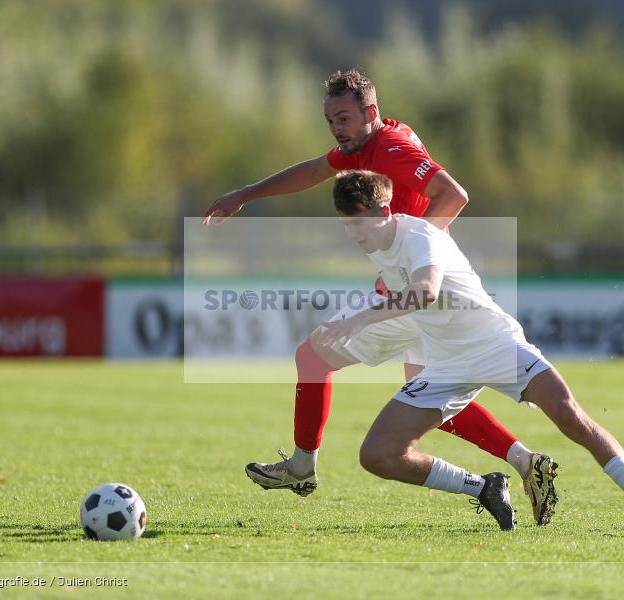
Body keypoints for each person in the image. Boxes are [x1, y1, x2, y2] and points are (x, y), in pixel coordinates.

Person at [205, 68, 559, 526]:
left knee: (313, 358)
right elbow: (313, 170)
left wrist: (413, 259)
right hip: (424, 296)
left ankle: (302, 466)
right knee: (435, 402)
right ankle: (523, 465)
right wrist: (247, 195)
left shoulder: (390, 148)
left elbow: (454, 195)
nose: (336, 128)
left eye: (344, 118)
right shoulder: (369, 143)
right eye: (331, 119)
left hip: (415, 294)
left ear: (369, 112)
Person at [313, 171, 624, 536]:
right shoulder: (378, 244)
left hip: (496, 345)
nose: (354, 233)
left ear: (384, 211)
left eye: (359, 221)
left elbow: (425, 291)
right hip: (444, 365)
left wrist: (359, 320)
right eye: (346, 224)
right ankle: (484, 487)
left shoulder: (419, 236)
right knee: (377, 455)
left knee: (569, 416)